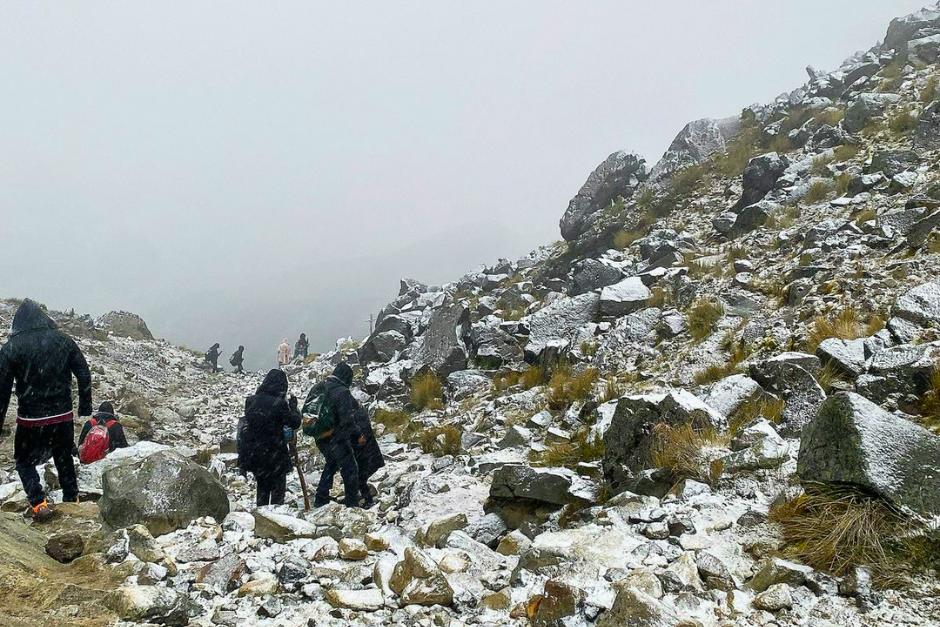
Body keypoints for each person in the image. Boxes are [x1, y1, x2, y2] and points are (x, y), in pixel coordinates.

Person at [0, 299, 92, 521]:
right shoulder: (63, 341)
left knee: (24, 461)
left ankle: (38, 502)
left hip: (31, 419)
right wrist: (85, 406)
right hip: (62, 417)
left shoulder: (12, 347)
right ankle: (72, 499)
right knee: (63, 457)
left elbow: (1, 390)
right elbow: (83, 372)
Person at [304, 363, 368, 508]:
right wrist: (358, 435)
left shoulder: (319, 386)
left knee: (332, 463)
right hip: (336, 436)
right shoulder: (342, 391)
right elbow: (347, 420)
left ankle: (321, 498)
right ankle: (352, 502)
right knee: (350, 468)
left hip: (319, 434)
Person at [238, 369, 302, 506]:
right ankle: (275, 516)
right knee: (278, 490)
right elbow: (294, 422)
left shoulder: (251, 401)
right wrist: (294, 407)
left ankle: (262, 514)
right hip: (275, 452)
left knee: (262, 487)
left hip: (256, 453)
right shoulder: (279, 404)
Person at [352, 403, 384, 508]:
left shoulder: (355, 415)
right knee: (359, 477)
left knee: (360, 478)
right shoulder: (359, 411)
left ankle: (368, 500)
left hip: (364, 451)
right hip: (367, 450)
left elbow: (360, 434)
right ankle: (361, 497)